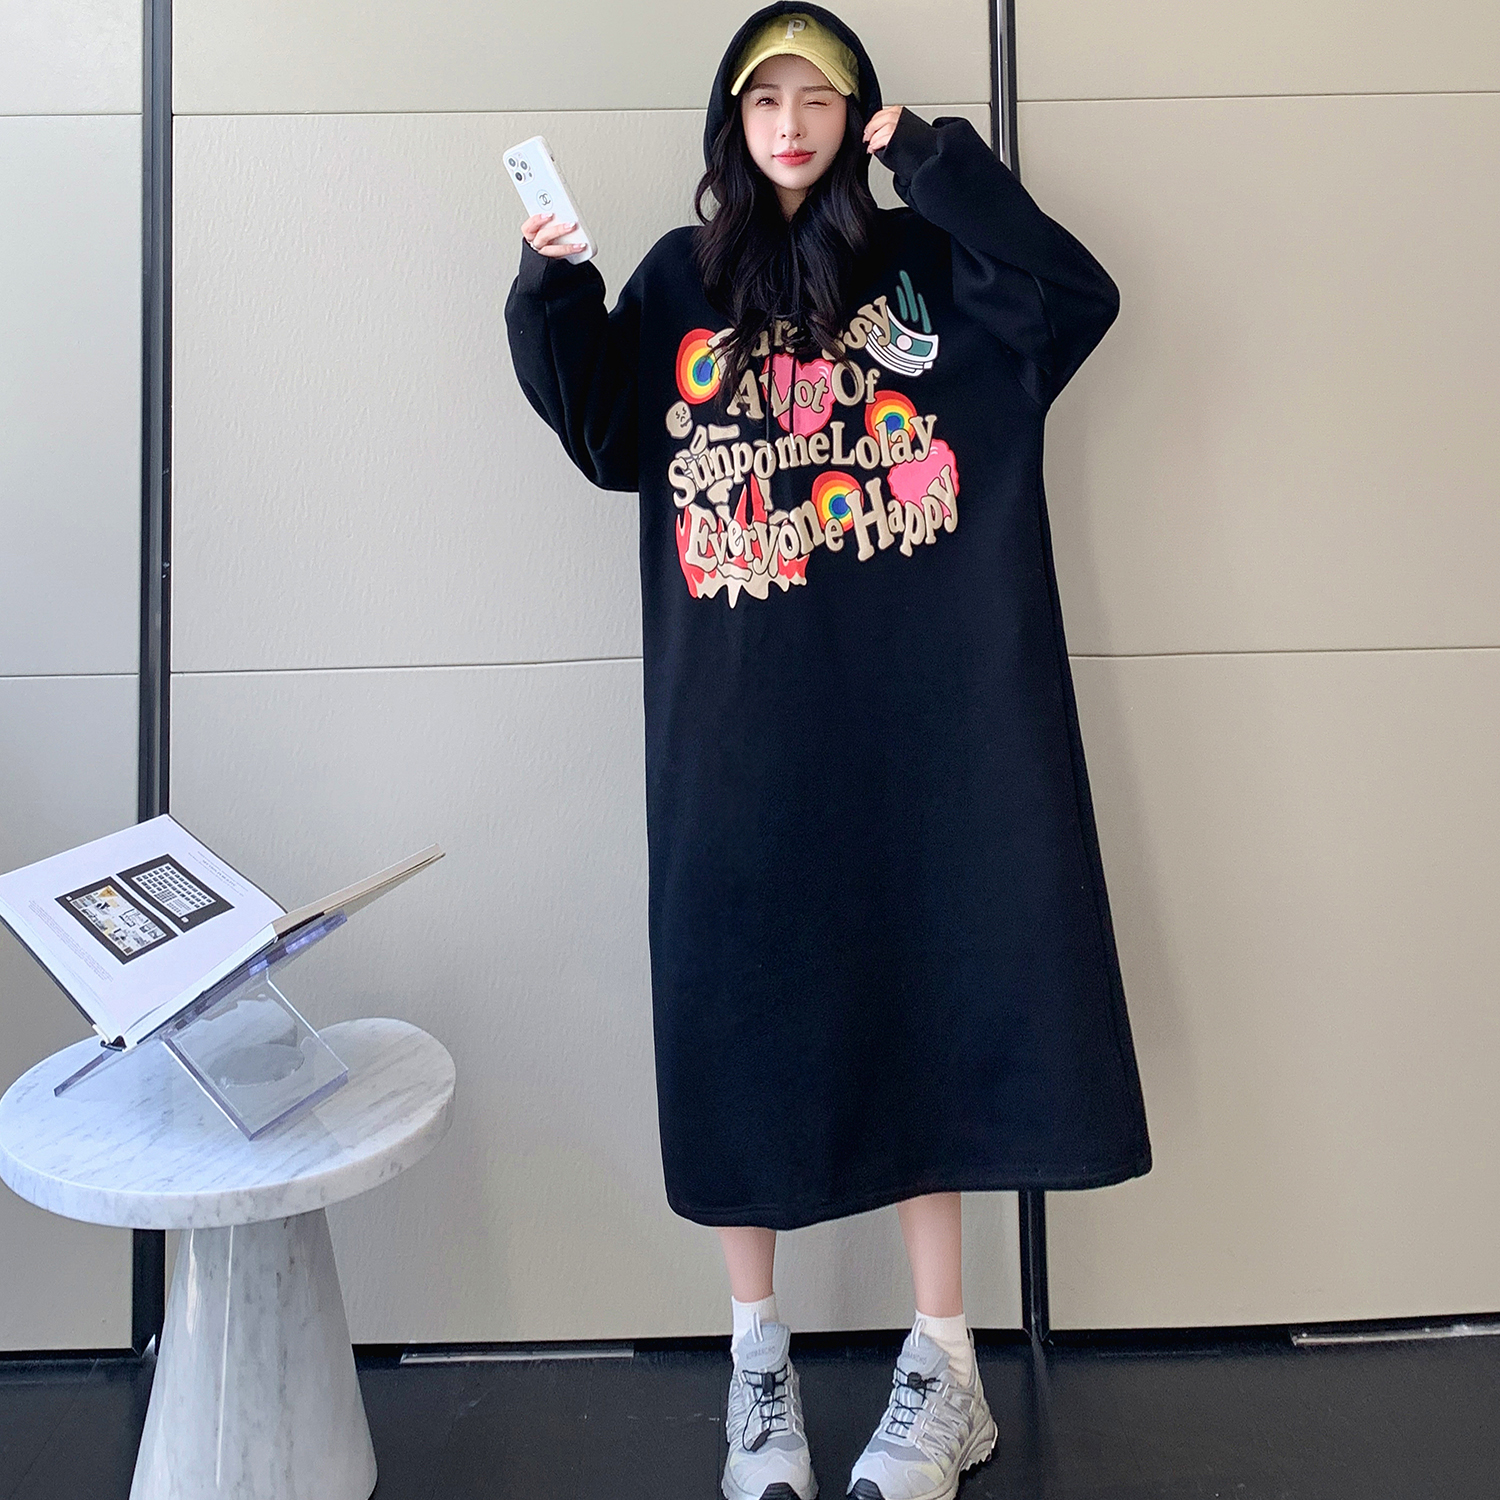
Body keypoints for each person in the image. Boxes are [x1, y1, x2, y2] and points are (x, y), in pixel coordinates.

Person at [505, 5, 1151, 1498]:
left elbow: (1078, 295)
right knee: (739, 1025)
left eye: (819, 98)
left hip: (926, 735)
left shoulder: (937, 268)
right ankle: (759, 1370)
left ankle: (947, 1368)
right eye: (764, 99)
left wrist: (943, 164)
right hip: (735, 739)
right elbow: (609, 435)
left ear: (858, 114)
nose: (789, 125)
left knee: (928, 1017)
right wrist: (553, 290)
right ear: (729, 121)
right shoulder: (682, 280)